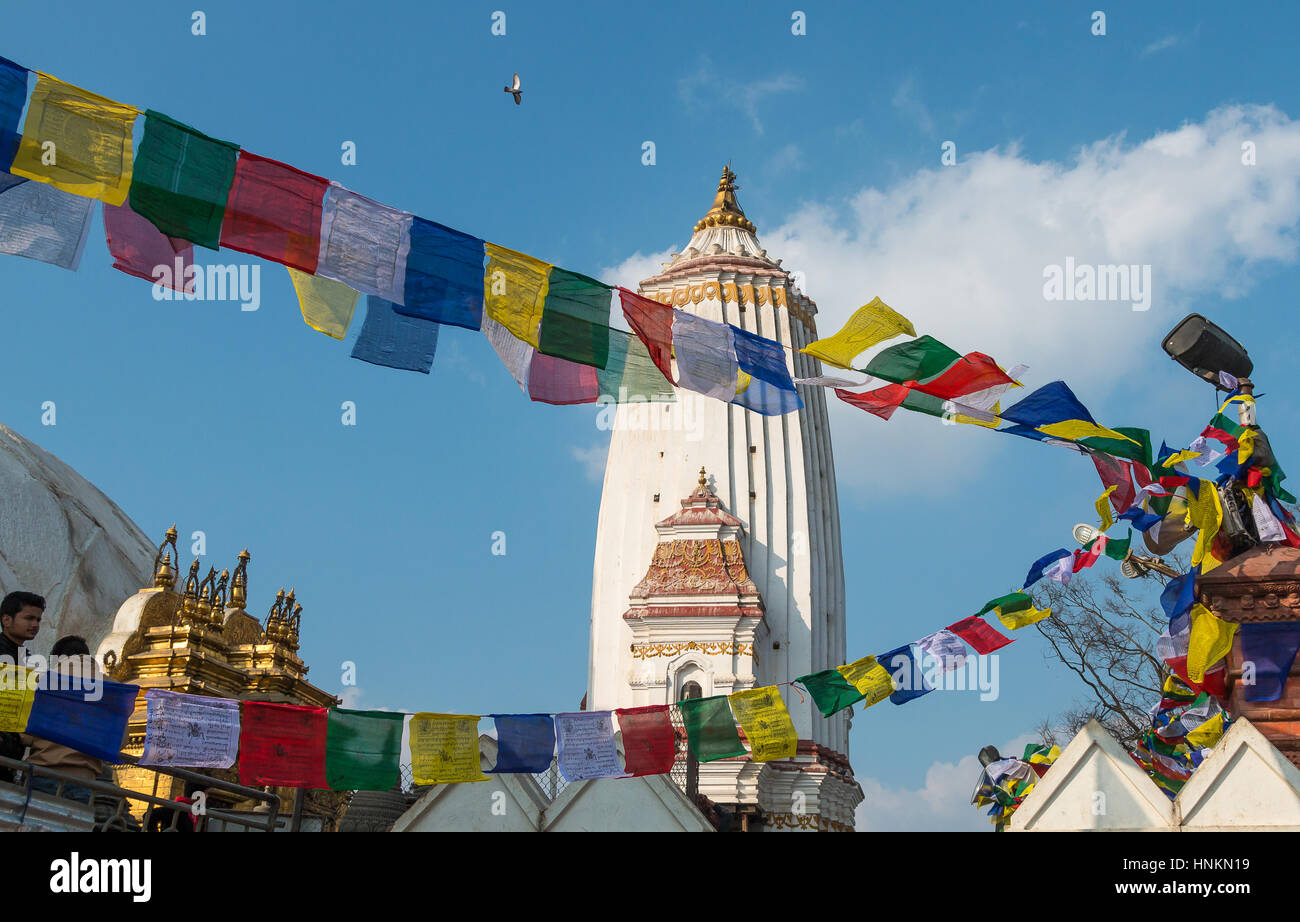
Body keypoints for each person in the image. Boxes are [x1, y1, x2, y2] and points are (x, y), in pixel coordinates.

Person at [21, 635, 102, 805]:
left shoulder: (43, 682)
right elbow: (121, 741)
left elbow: (25, 734)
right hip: (84, 781)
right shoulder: (110, 687)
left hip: (42, 774)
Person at [0, 591, 43, 784]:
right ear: (7, 620)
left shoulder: (24, 658)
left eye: (38, 620)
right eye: (29, 618)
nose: (35, 625)